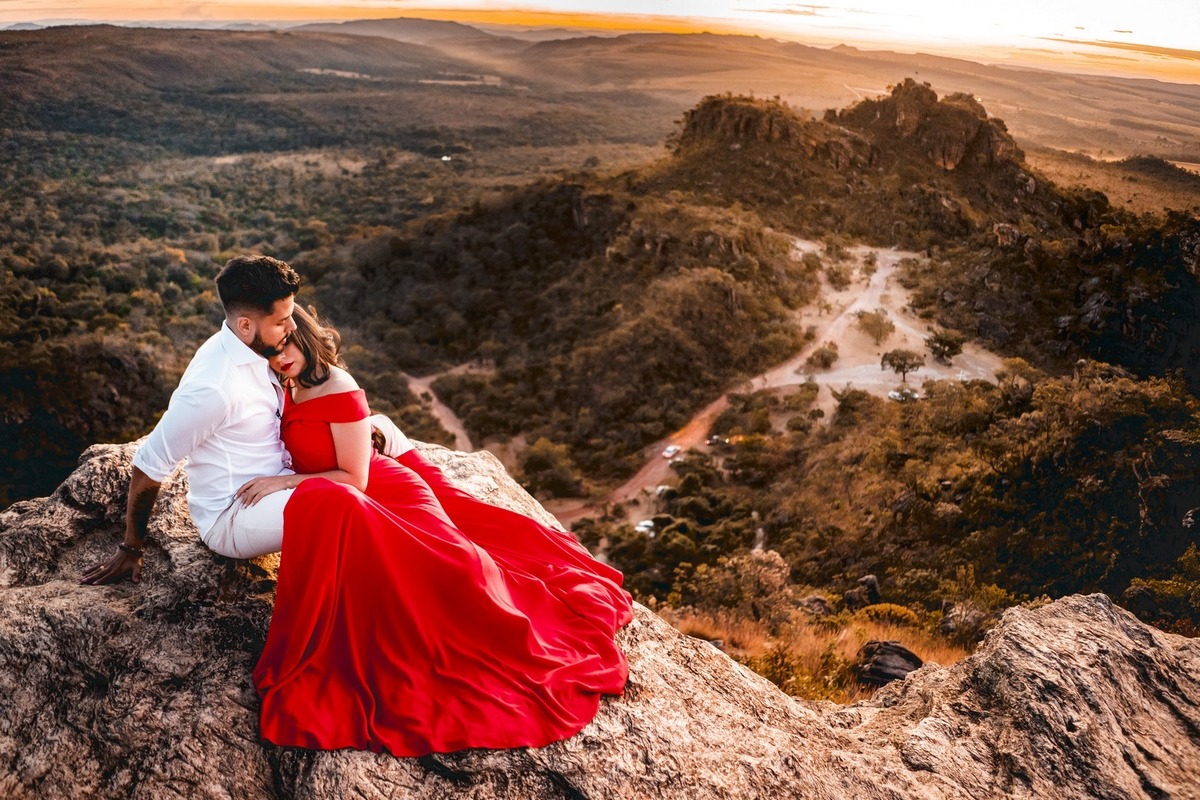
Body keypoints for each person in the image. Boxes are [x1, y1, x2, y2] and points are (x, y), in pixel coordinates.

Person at [246, 305, 633, 755]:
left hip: (385, 493)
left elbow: (355, 479)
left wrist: (286, 482)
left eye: (285, 346)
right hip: (352, 502)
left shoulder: (339, 386)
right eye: (270, 354)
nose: (279, 359)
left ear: (306, 336)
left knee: (455, 573)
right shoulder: (288, 386)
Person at [82, 254, 302, 585]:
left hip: (279, 482)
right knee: (341, 509)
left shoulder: (255, 349)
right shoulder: (214, 388)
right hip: (233, 517)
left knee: (382, 466)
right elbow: (149, 463)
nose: (293, 327)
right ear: (245, 325)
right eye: (282, 321)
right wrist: (131, 548)